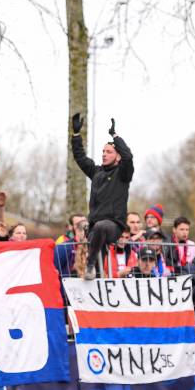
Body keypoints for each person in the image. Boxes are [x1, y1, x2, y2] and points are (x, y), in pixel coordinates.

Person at [70, 113, 134, 280]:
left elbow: (128, 156)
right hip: (95, 227)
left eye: (109, 152)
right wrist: (76, 135)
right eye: (103, 151)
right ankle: (96, 276)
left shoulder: (123, 173)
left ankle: (89, 266)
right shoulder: (97, 172)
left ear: (117, 156)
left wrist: (115, 136)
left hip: (114, 225)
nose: (104, 154)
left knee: (101, 227)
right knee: (98, 265)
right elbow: (80, 158)